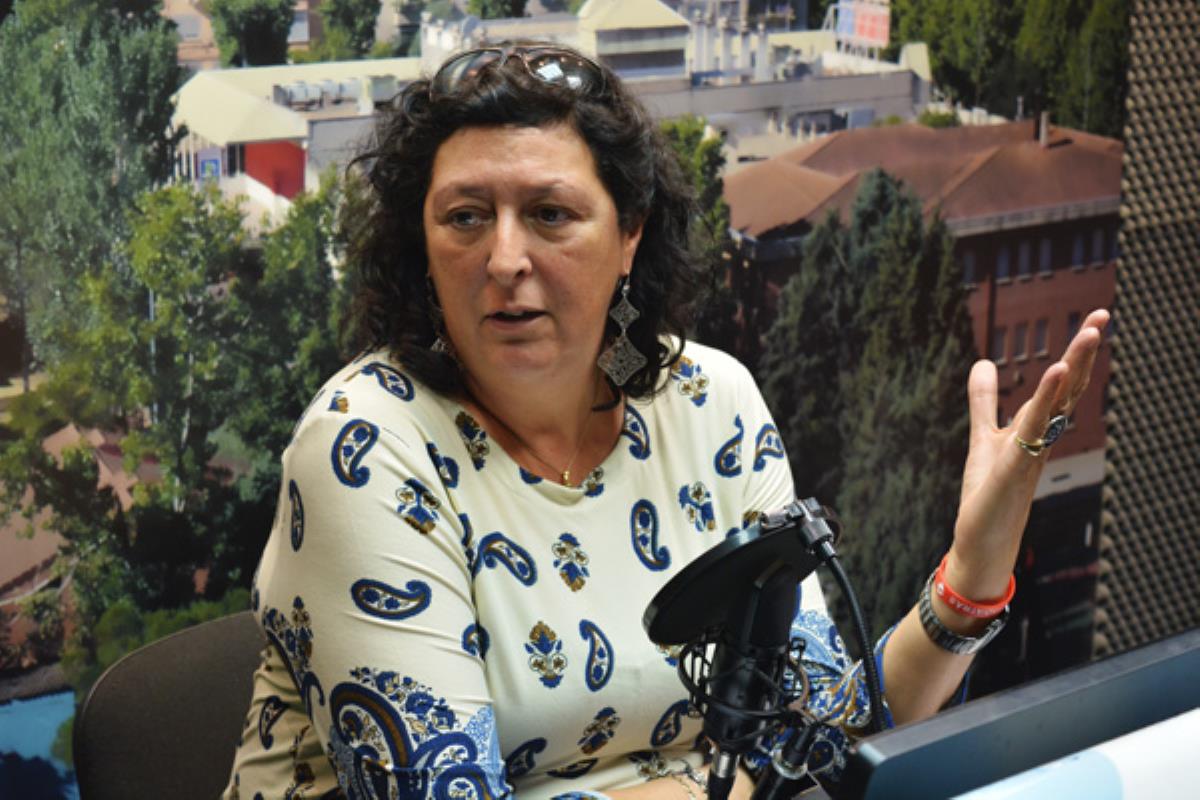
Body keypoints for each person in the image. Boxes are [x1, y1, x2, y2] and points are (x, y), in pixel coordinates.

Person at [221, 43, 1108, 800]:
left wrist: (971, 579)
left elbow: (821, 728)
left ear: (630, 234)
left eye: (550, 214)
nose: (504, 258)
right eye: (464, 218)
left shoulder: (707, 403)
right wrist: (726, 783)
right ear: (424, 246)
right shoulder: (365, 446)